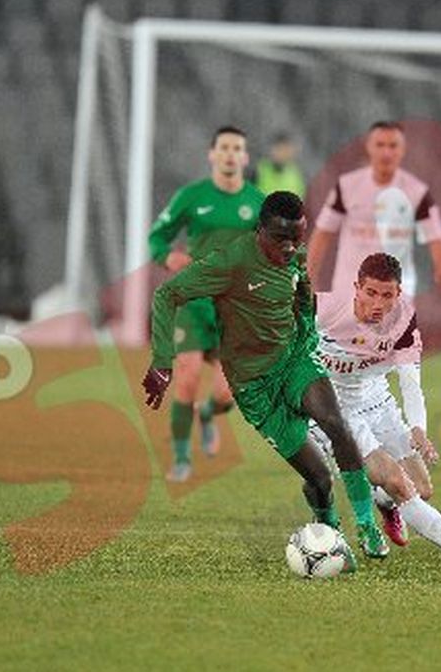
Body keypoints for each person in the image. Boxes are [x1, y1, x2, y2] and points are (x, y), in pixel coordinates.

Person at [143, 191, 389, 562]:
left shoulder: (296, 254)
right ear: (259, 231)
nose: (290, 248)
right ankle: (329, 529)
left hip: (294, 361)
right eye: (280, 239)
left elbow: (303, 293)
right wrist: (162, 361)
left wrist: (306, 337)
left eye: (297, 238)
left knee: (334, 422)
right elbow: (167, 295)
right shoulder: (230, 262)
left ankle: (368, 527)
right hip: (255, 388)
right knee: (319, 479)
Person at [311, 252, 441, 572]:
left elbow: (410, 381)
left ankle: (385, 503)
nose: (378, 303)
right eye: (370, 292)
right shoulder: (325, 308)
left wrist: (418, 427)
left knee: (423, 489)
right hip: (341, 411)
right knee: (398, 482)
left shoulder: (402, 320)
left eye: (387, 295)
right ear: (356, 287)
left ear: (398, 294)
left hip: (380, 403)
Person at [147, 126, 265, 482]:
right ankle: (182, 459)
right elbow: (157, 236)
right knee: (187, 375)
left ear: (245, 158)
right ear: (212, 154)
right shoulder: (191, 196)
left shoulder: (258, 202)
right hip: (195, 300)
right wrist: (168, 257)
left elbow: (271, 251)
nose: (230, 154)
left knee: (229, 393)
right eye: (224, 148)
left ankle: (209, 413)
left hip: (235, 306)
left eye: (237, 149)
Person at [307, 121, 441, 297]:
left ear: (403, 150)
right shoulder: (347, 186)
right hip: (351, 288)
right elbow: (323, 232)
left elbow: (435, 235)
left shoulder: (417, 191)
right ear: (369, 147)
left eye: (393, 146)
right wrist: (309, 276)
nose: (386, 153)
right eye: (380, 145)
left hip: (395, 292)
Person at [248, 131, 306, 197]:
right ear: (272, 150)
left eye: (285, 150)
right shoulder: (260, 170)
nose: (282, 154)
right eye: (279, 149)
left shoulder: (296, 175)